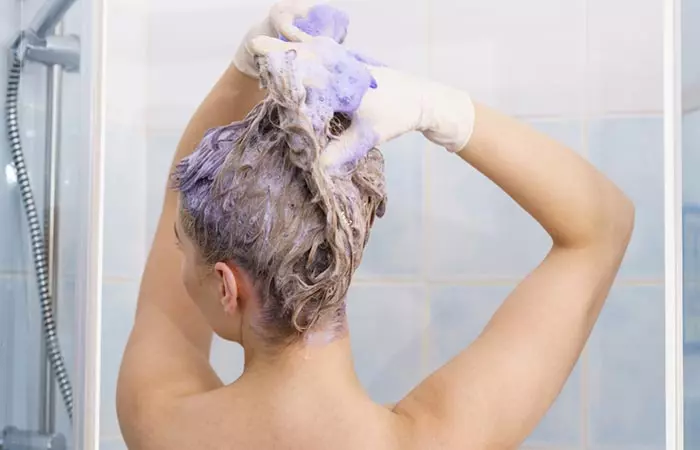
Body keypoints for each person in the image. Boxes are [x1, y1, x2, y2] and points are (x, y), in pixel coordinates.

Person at [117, 2, 635, 449]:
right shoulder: (439, 439)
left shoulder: (160, 423)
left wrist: (242, 66)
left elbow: (174, 203)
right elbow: (602, 225)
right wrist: (440, 110)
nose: (178, 258)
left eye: (181, 248)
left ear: (228, 286)